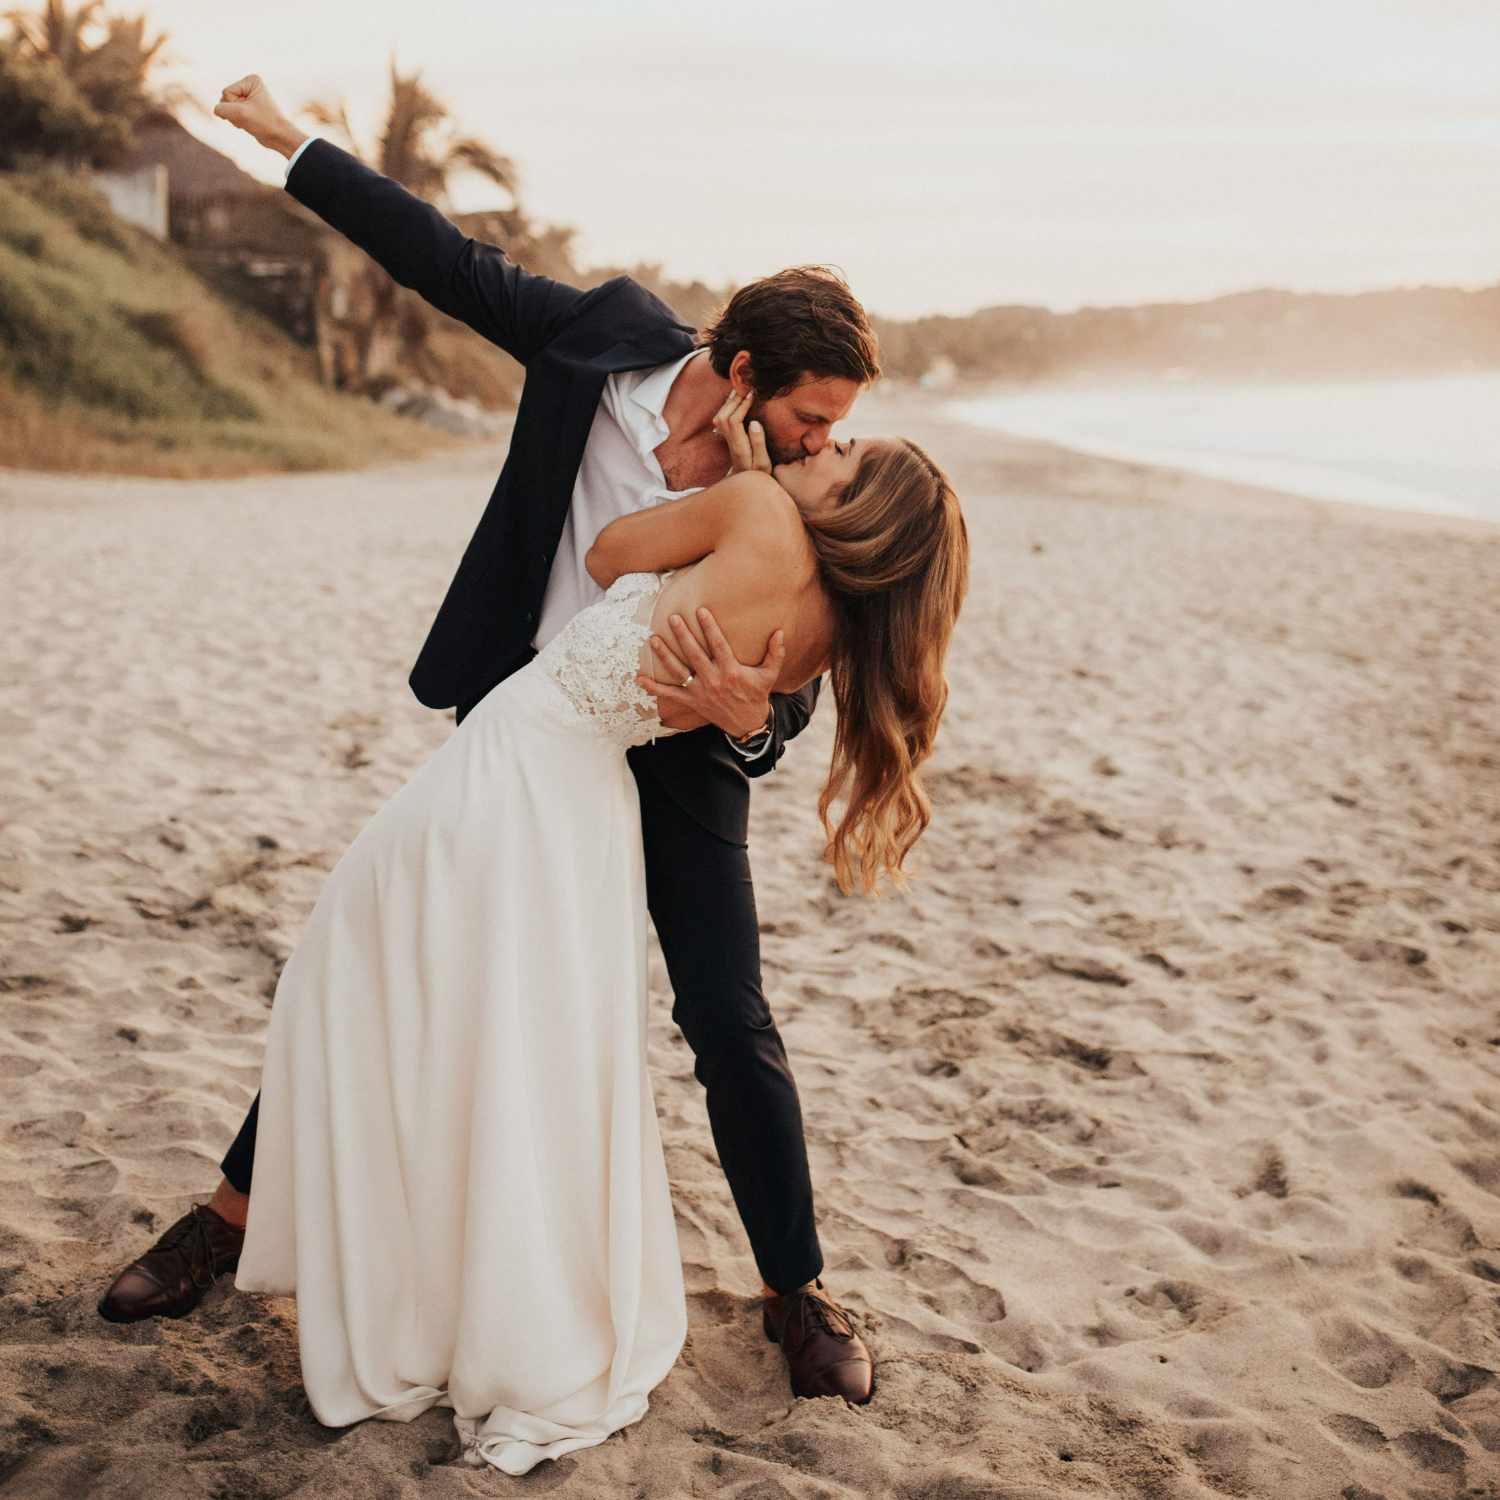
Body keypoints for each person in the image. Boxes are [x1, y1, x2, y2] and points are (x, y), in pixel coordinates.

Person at [95, 73, 963, 1473]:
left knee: (728, 1016)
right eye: (813, 416)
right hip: (528, 719)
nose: (822, 444)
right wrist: (286, 144)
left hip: (676, 755)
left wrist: (747, 718)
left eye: (838, 427)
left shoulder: (795, 516)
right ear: (741, 372)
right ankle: (231, 1217)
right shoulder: (600, 347)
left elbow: (792, 690)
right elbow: (439, 255)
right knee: (393, 949)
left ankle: (796, 1290)